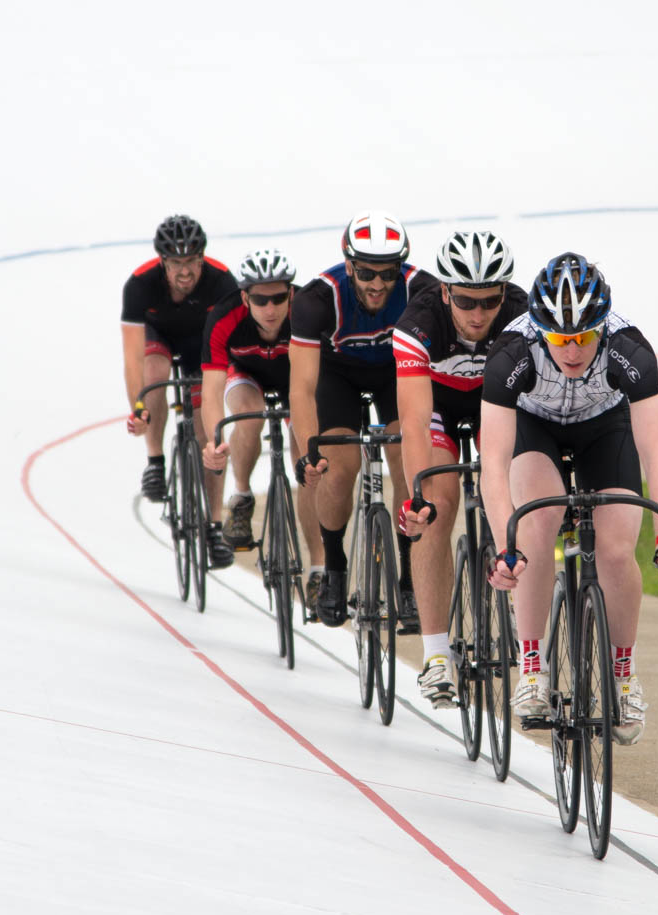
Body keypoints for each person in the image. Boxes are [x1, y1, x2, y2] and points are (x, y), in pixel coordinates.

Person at [480, 251, 658, 744]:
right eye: (559, 338)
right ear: (539, 328)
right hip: (536, 429)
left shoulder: (630, 351)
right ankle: (532, 669)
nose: (572, 349)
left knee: (617, 549)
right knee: (536, 524)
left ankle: (623, 674)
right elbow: (493, 464)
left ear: (602, 328)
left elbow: (657, 454)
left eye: (583, 336)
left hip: (605, 428)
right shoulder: (512, 353)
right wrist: (504, 548)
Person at [393, 229, 525, 706]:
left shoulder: (523, 318)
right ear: (445, 291)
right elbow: (411, 423)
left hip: (495, 407)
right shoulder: (418, 323)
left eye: (490, 301)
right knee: (440, 505)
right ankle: (434, 655)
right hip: (439, 410)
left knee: (515, 494)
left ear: (504, 294)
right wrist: (417, 497)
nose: (477, 314)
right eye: (466, 300)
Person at [289, 211, 437, 627]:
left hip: (396, 374)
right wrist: (308, 451)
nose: (377, 284)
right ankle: (334, 566)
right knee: (338, 469)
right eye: (367, 272)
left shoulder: (420, 290)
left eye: (388, 273)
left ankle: (409, 578)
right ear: (350, 265)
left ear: (401, 267)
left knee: (409, 467)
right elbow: (301, 387)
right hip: (337, 378)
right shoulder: (317, 299)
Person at [200, 248, 325, 616]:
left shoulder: (307, 311)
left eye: (278, 297)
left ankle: (318, 568)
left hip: (295, 381)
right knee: (248, 414)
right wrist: (213, 441)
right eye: (259, 299)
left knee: (308, 462)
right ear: (244, 298)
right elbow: (210, 391)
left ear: (291, 293)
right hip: (247, 377)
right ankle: (240, 496)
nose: (270, 308)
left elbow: (323, 381)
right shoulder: (224, 317)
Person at [121, 214, 236, 568]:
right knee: (154, 371)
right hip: (160, 339)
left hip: (203, 347)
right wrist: (138, 409)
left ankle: (214, 525)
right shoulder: (140, 284)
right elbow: (131, 359)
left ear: (202, 258)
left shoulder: (222, 282)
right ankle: (155, 461)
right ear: (162, 262)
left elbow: (230, 346)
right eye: (176, 264)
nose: (184, 272)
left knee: (209, 436)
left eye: (191, 262)